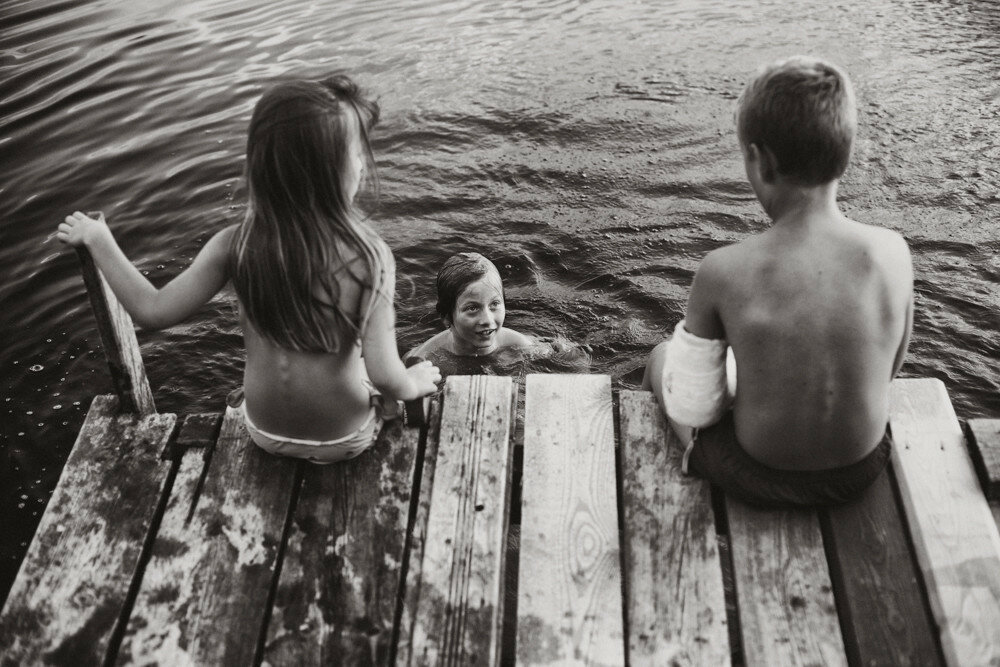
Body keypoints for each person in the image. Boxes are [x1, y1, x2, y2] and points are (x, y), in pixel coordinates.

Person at [57, 75, 441, 464]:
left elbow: (152, 311)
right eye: (357, 153)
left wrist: (98, 238)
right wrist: (413, 383)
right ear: (332, 172)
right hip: (344, 438)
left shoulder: (235, 244)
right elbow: (384, 373)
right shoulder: (369, 255)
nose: (362, 165)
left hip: (263, 433)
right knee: (387, 382)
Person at [642, 56, 913, 507]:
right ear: (844, 153)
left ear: (760, 161)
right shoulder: (893, 252)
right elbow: (891, 367)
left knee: (660, 356)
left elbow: (696, 408)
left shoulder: (723, 269)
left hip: (757, 475)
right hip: (862, 467)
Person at [406, 252, 534, 362]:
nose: (488, 320)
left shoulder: (521, 347)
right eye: (473, 308)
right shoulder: (425, 358)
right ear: (446, 317)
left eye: (494, 304)